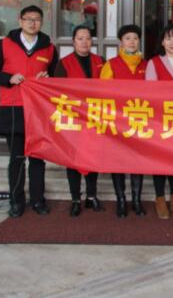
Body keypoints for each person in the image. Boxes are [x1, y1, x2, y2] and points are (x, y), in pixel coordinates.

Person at [0, 5, 58, 218]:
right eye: (28, 19)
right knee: (16, 158)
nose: (32, 23)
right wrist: (8, 78)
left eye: (37, 19)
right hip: (13, 107)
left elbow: (56, 77)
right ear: (20, 20)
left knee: (37, 158)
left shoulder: (49, 48)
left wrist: (48, 79)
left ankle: (38, 200)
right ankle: (16, 202)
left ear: (41, 22)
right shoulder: (5, 44)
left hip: (39, 109)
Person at [53, 25, 106, 217]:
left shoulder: (100, 61)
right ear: (73, 41)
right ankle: (75, 198)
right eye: (80, 38)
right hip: (73, 118)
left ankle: (91, 196)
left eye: (88, 38)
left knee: (93, 157)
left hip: (94, 117)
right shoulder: (64, 63)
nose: (85, 42)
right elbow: (57, 91)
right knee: (73, 159)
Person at [101, 24, 148, 218]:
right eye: (128, 38)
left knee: (138, 161)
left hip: (140, 120)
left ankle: (136, 200)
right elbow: (103, 94)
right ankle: (121, 199)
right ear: (121, 42)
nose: (132, 42)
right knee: (118, 160)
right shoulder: (111, 65)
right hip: (117, 122)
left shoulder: (147, 65)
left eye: (135, 38)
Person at [146, 24, 173, 218]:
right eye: (169, 38)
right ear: (162, 42)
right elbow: (150, 94)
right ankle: (159, 198)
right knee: (159, 160)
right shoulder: (154, 63)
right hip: (159, 120)